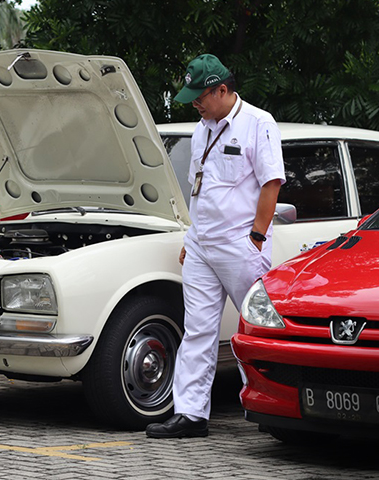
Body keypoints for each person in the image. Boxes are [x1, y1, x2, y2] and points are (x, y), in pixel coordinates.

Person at [146, 54, 285, 438]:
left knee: (256, 328)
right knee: (198, 330)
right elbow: (199, 188)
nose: (196, 104)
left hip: (240, 245)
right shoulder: (201, 129)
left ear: (221, 90)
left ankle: (269, 406)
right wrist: (192, 238)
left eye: (200, 97)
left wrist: (256, 237)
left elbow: (271, 183)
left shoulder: (258, 123)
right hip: (203, 245)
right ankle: (191, 414)